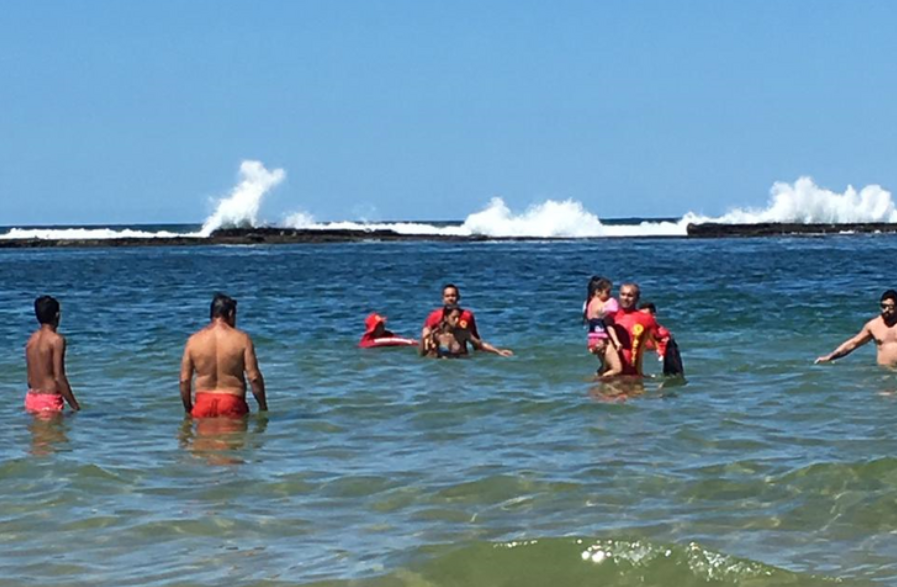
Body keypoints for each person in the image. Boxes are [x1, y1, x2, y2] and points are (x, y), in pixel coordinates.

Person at [180, 293, 267, 418]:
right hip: (232, 403)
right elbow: (254, 378)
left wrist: (189, 410)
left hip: (203, 404)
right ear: (231, 313)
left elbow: (184, 381)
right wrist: (263, 406)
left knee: (204, 438)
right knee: (234, 438)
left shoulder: (193, 341)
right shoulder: (242, 339)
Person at [24, 296, 80, 413]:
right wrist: (75, 406)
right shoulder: (56, 340)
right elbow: (59, 377)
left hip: (31, 398)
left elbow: (29, 380)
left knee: (37, 431)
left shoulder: (31, 340)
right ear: (57, 315)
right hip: (49, 399)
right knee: (54, 431)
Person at [815, 289, 897, 367]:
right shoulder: (873, 326)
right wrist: (830, 357)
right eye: (883, 306)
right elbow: (853, 343)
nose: (886, 310)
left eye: (890, 307)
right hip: (883, 373)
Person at [604, 283, 662, 377]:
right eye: (623, 294)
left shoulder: (646, 319)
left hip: (634, 375)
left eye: (630, 295)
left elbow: (660, 340)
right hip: (611, 374)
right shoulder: (610, 317)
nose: (625, 298)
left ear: (637, 298)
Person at [421, 305, 513, 358]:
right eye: (454, 318)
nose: (457, 320)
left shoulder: (463, 333)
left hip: (460, 368)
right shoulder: (436, 334)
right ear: (446, 318)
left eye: (458, 317)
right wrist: (425, 339)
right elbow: (424, 354)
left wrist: (499, 352)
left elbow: (480, 345)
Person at [583, 277, 623, 377]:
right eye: (608, 292)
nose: (610, 295)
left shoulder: (588, 305)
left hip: (593, 340)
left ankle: (598, 386)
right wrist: (617, 341)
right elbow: (609, 325)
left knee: (605, 367)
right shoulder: (603, 305)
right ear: (597, 291)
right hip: (603, 340)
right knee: (617, 369)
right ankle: (596, 381)